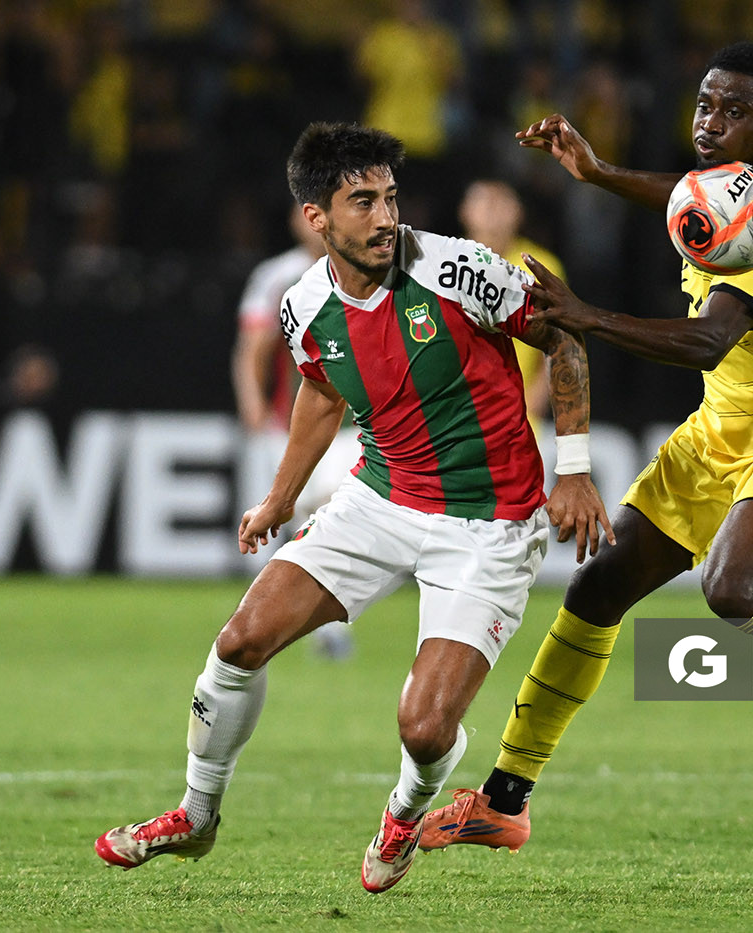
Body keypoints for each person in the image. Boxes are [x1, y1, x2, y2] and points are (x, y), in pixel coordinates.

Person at [419, 42, 753, 855]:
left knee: (731, 588)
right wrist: (598, 172)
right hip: (727, 417)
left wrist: (584, 315)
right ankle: (503, 800)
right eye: (704, 105)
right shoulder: (733, 182)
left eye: (734, 111)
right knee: (598, 586)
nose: (711, 123)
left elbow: (704, 341)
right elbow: (688, 198)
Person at [93, 122, 614, 893]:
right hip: (378, 498)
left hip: (489, 523)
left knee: (425, 726)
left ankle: (405, 811)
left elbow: (564, 338)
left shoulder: (460, 269)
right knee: (240, 641)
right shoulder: (304, 307)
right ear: (317, 219)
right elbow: (321, 389)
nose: (383, 218)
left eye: (391, 198)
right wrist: (281, 495)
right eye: (361, 201)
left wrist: (573, 469)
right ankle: (197, 814)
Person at [230, 201, 354, 658]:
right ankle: (256, 620)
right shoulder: (277, 277)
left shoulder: (363, 269)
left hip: (348, 426)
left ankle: (326, 627)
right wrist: (254, 406)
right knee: (271, 519)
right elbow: (254, 346)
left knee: (323, 515)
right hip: (285, 423)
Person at [457, 179, 565, 424]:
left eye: (503, 203)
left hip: (518, 414)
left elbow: (560, 340)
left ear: (519, 213)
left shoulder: (541, 266)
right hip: (457, 413)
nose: (493, 211)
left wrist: (537, 399)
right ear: (464, 211)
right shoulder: (447, 264)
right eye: (485, 201)